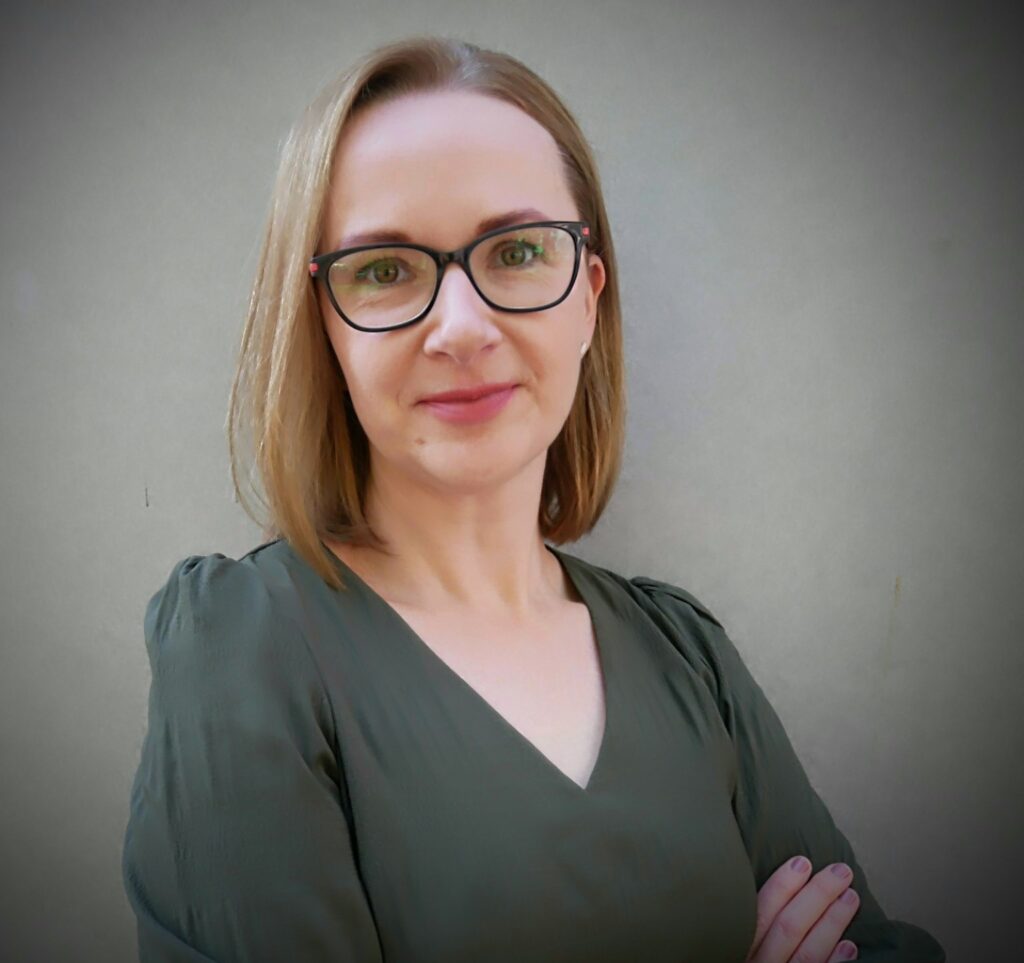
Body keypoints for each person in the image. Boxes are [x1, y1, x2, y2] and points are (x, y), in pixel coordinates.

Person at [120, 35, 946, 963]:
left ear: (588, 298)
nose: (461, 327)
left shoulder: (685, 657)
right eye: (384, 268)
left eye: (516, 251)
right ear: (324, 324)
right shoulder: (244, 649)